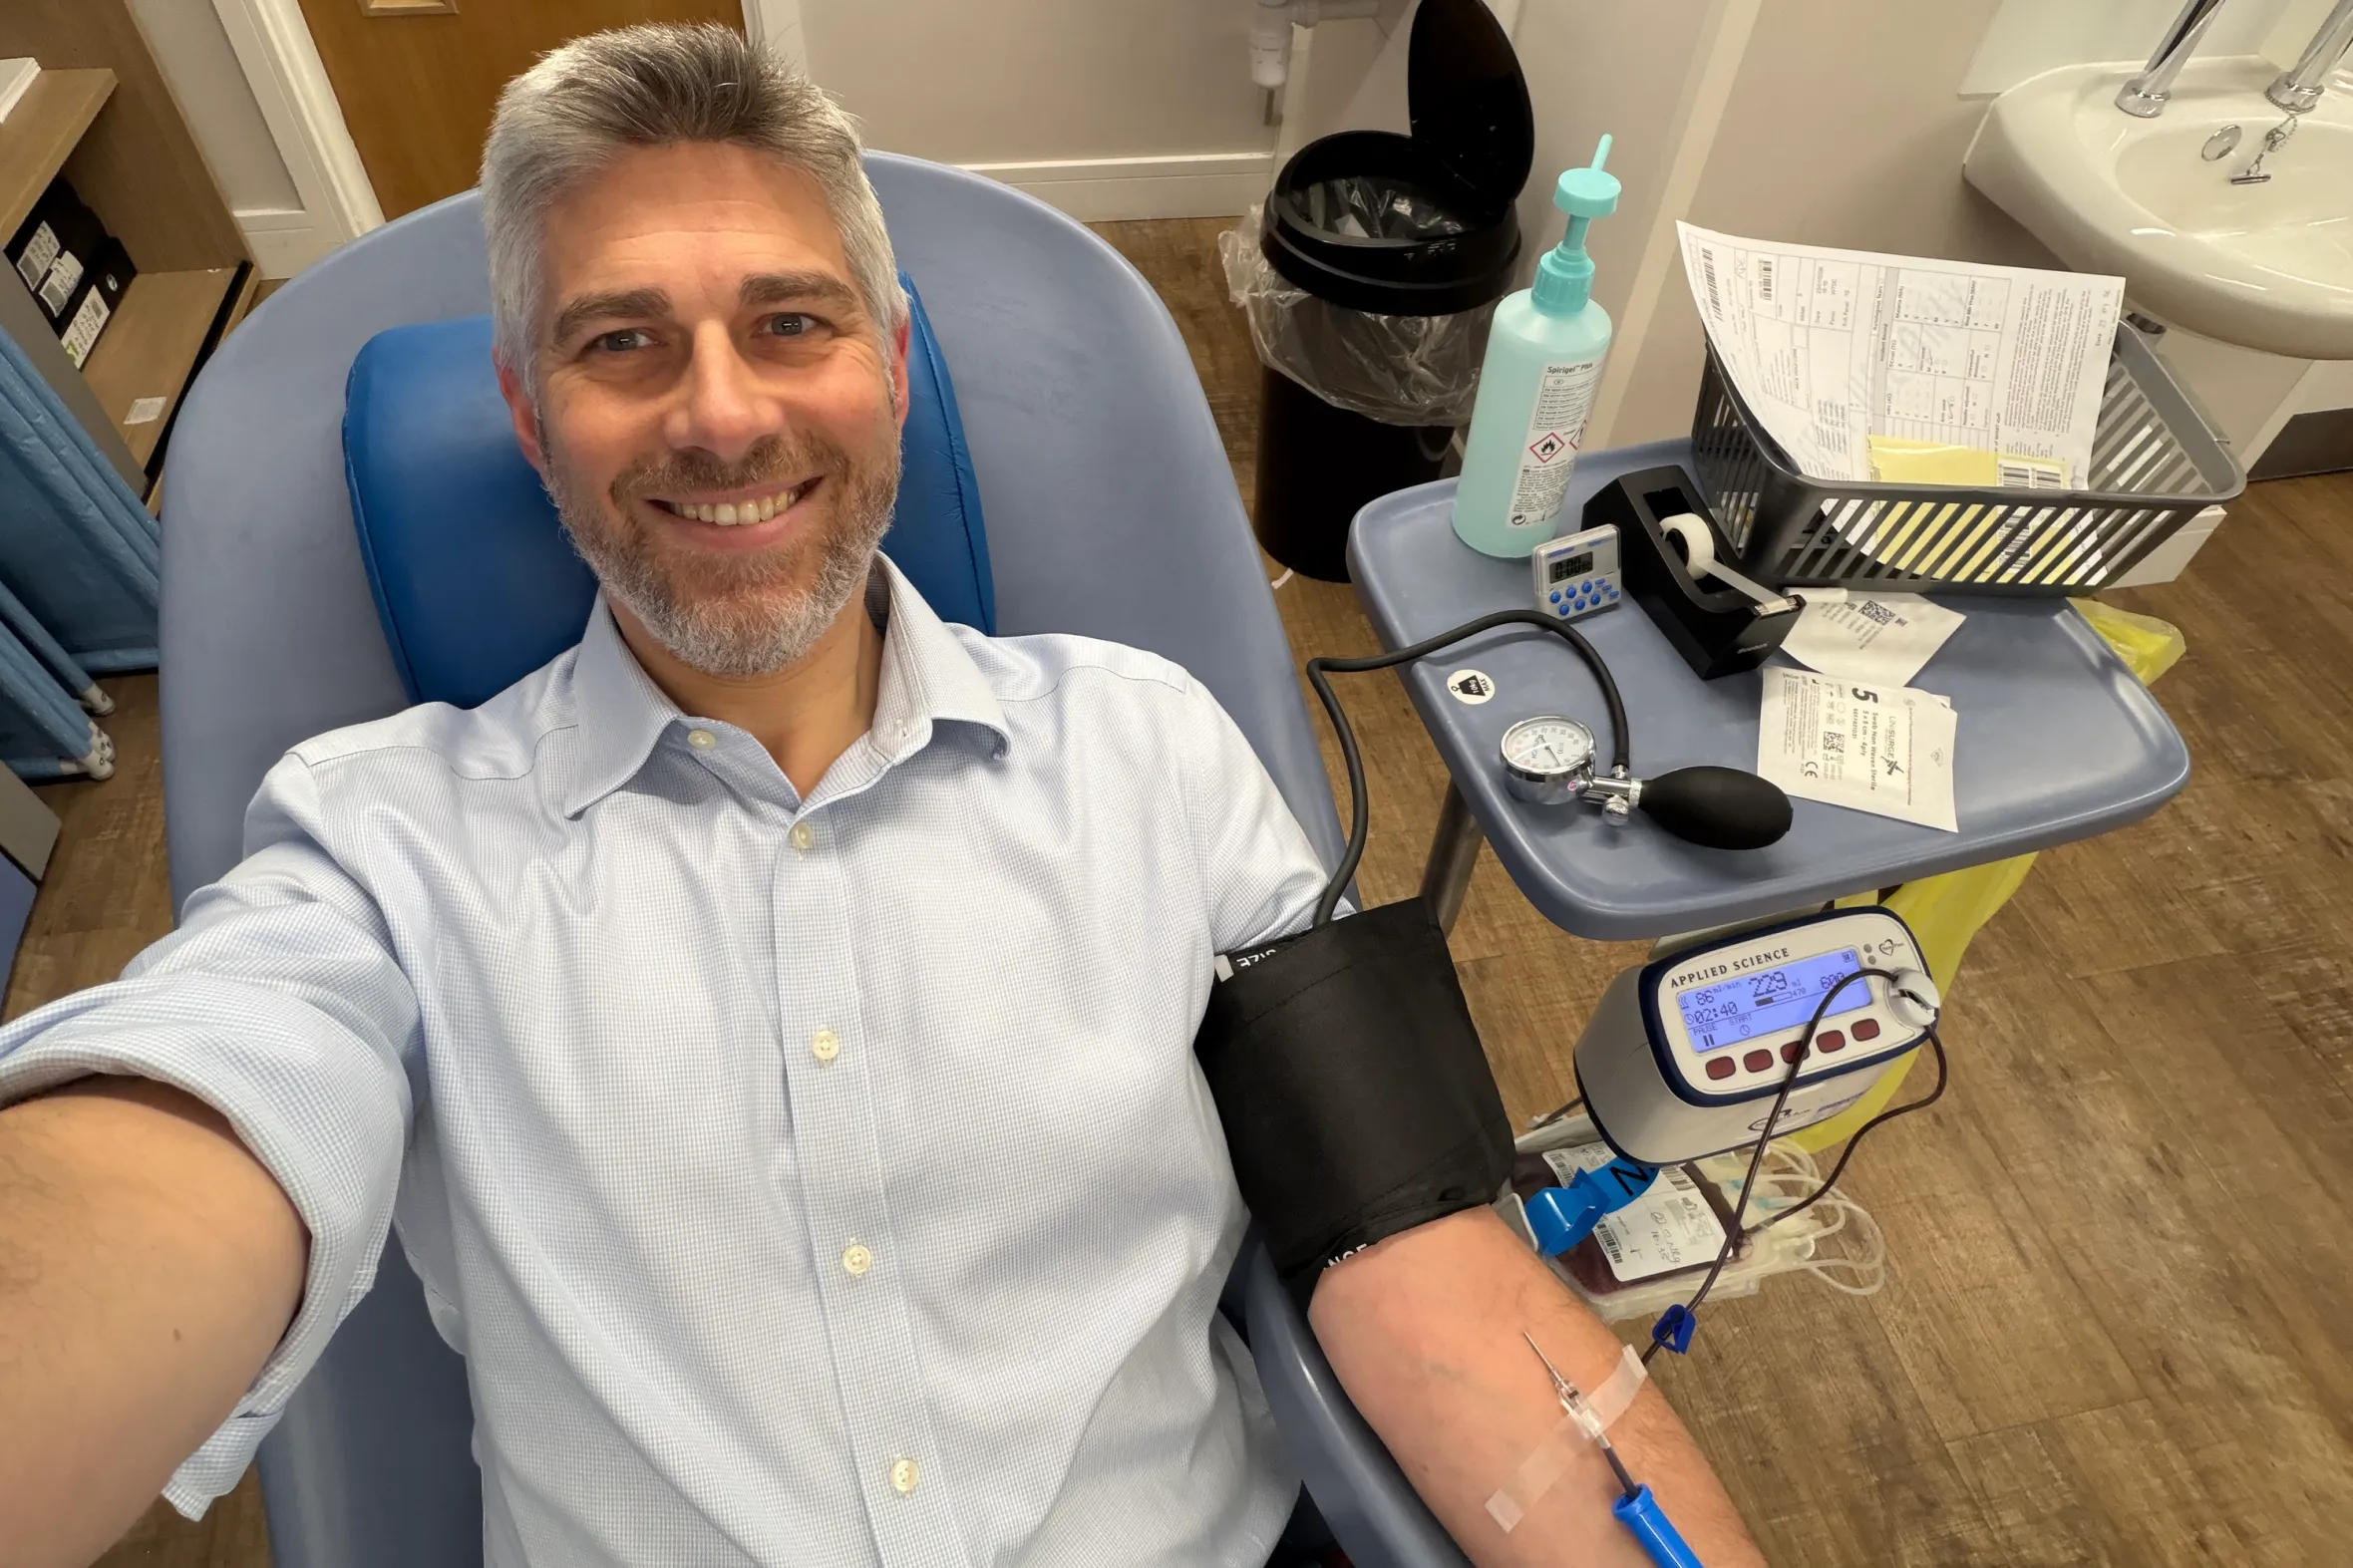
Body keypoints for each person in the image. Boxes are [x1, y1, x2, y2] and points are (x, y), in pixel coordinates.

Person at [0, 25, 1763, 1568]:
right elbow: (178, 1139)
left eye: (791, 322)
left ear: (892, 370)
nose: (719, 414)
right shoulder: (383, 846)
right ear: (530, 418)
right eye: (621, 343)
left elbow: (1429, 1258)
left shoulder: (1150, 753)